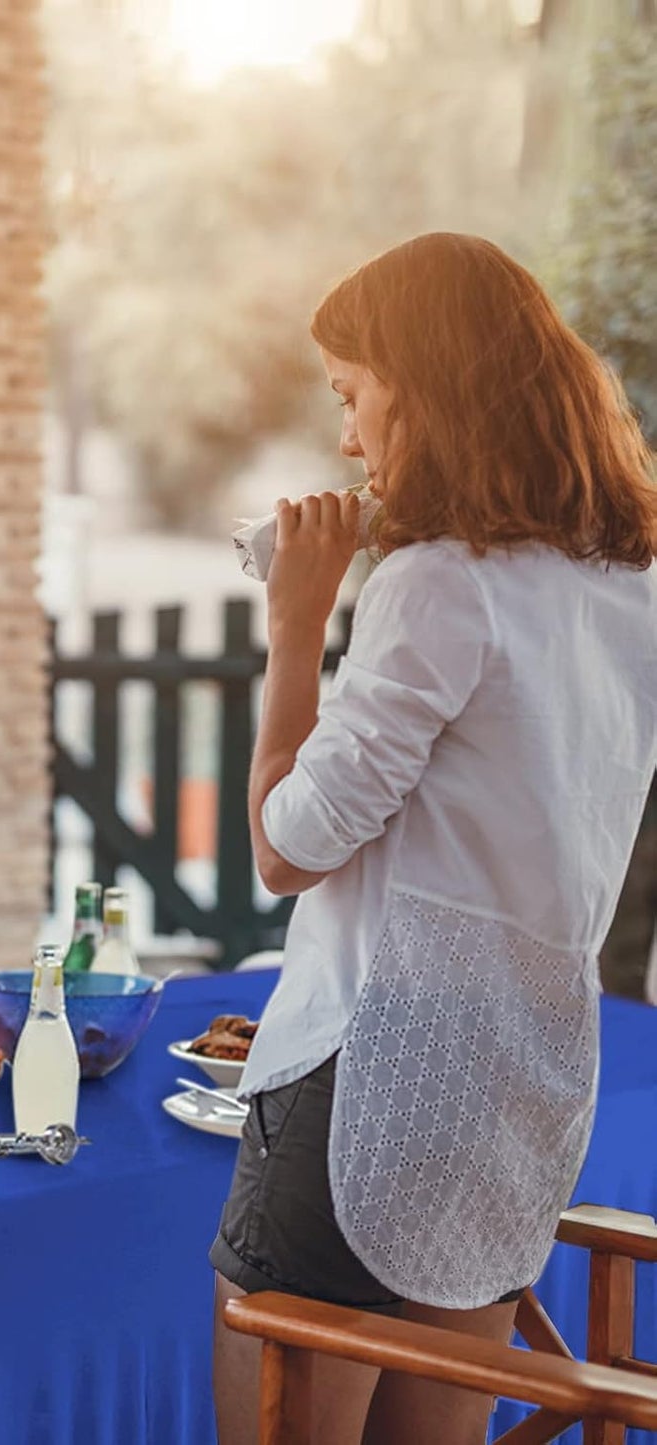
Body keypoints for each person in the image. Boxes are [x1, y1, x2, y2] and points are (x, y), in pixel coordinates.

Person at [209, 232, 657, 1445]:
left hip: (364, 1078)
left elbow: (283, 848)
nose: (347, 435)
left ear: (421, 383)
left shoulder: (436, 582)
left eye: (351, 394)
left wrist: (295, 627)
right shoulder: (631, 585)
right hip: (514, 1080)